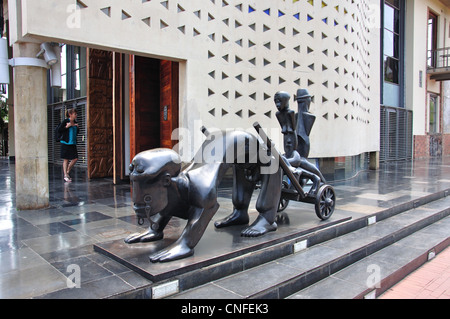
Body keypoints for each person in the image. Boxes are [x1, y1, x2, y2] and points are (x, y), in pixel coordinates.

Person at [57, 108, 79, 182]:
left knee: (75, 158)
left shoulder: (75, 122)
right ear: (70, 114)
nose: (76, 115)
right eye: (75, 114)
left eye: (76, 114)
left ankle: (67, 171)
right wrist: (67, 126)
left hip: (73, 143)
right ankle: (66, 175)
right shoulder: (66, 121)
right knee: (66, 159)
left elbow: (76, 133)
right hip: (65, 143)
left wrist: (77, 128)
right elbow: (59, 130)